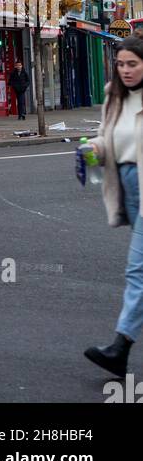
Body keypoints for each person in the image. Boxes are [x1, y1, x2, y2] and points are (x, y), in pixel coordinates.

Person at [81, 36, 143, 378]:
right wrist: (93, 149)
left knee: (137, 271)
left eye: (133, 63)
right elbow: (108, 139)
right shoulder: (115, 96)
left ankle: (120, 347)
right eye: (121, 64)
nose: (126, 70)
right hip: (128, 188)